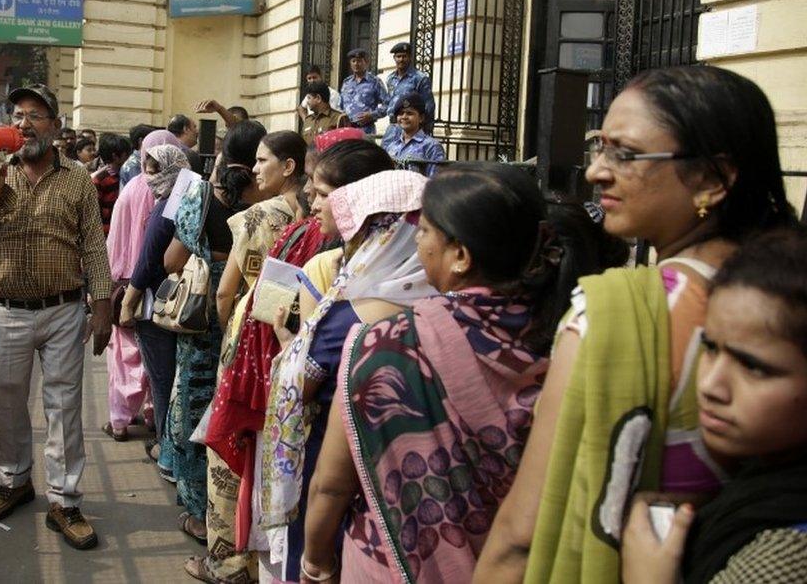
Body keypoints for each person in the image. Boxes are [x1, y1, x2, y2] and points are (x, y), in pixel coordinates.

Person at [476, 65, 796, 583]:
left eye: (624, 154)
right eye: (599, 149)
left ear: (713, 178)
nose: (596, 171)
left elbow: (522, 534)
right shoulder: (781, 290)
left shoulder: (614, 316)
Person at [300, 163, 629, 583]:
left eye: (424, 233)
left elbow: (330, 486)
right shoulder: (569, 339)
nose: (416, 244)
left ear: (460, 256)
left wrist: (316, 563)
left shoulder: (385, 343)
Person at [0, 83, 112, 550]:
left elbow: (92, 245)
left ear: (56, 126)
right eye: (17, 115)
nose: (23, 123)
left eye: (35, 115)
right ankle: (15, 482)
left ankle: (64, 502)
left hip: (64, 309)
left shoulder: (77, 178)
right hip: (7, 312)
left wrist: (101, 304)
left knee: (64, 408)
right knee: (6, 404)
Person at [259, 166, 433, 583]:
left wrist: (289, 347)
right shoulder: (445, 306)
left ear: (381, 236)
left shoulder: (350, 314)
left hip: (340, 482)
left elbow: (299, 387)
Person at [620, 227, 807, 584]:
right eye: (711, 349)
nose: (710, 386)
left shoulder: (787, 553)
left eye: (753, 367)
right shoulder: (758, 479)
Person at [187, 131, 308, 583]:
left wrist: (229, 337)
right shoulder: (315, 218)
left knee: (230, 449)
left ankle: (228, 562)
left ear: (289, 166)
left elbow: (224, 292)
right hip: (293, 342)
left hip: (252, 337)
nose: (254, 170)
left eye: (262, 161)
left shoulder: (256, 217)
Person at [161, 120, 268, 547]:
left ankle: (197, 511)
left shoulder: (201, 196)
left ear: (224, 153)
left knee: (191, 409)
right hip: (251, 322)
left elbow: (172, 260)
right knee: (235, 417)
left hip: (200, 321)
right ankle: (235, 512)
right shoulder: (272, 204)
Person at [103, 129, 189, 442]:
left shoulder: (131, 191)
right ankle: (153, 416)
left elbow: (116, 242)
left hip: (128, 283)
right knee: (157, 360)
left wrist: (114, 285)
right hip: (163, 288)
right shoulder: (178, 191)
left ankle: (120, 420)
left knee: (125, 356)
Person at [381, 92, 446, 176]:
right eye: (400, 113)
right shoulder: (392, 146)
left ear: (421, 118)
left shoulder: (431, 147)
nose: (404, 117)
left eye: (409, 113)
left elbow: (435, 181)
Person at [382, 41, 435, 131]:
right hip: (393, 126)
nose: (401, 59)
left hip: (411, 126)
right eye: (398, 56)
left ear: (410, 58)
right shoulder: (391, 79)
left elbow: (429, 105)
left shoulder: (419, 78)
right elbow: (388, 102)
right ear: (394, 58)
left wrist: (422, 126)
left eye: (404, 56)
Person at [91, 133, 131, 237]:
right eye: (127, 155)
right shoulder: (100, 180)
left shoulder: (127, 175)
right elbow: (95, 216)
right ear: (115, 156)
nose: (130, 159)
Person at [339, 48, 388, 134]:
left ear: (366, 63)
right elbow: (340, 106)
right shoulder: (346, 82)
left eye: (359, 61)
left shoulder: (374, 81)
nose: (356, 64)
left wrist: (372, 115)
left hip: (366, 129)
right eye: (353, 61)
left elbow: (388, 105)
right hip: (347, 129)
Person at [298, 81, 349, 147]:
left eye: (309, 98)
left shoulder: (339, 118)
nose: (307, 102)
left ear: (318, 98)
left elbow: (346, 147)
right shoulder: (308, 120)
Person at [120, 123, 157, 189]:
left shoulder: (139, 160)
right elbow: (140, 189)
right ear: (141, 141)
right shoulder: (134, 165)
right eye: (151, 140)